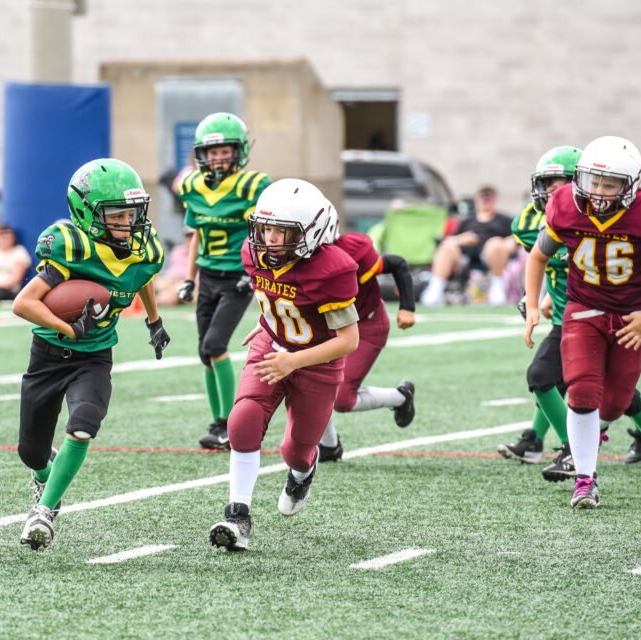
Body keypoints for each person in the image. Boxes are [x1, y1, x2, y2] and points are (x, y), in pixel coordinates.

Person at [12, 158, 169, 549]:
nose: (128, 223)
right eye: (117, 215)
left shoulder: (143, 248)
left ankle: (44, 513)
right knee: (30, 451)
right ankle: (45, 473)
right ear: (87, 213)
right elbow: (23, 303)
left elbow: (142, 276)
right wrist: (69, 326)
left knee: (83, 423)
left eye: (132, 214)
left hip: (95, 355)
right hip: (49, 352)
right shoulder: (70, 246)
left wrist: (154, 320)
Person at [501, 146, 641, 488]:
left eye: (558, 183)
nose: (552, 191)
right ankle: (573, 456)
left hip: (623, 313)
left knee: (616, 400)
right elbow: (541, 260)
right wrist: (536, 300)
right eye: (547, 184)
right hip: (577, 313)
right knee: (558, 381)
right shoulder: (551, 214)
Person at [209, 179, 359, 552]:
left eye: (282, 231)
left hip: (317, 362)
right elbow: (273, 296)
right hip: (272, 345)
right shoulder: (254, 252)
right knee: (242, 420)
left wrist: (294, 360)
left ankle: (303, 472)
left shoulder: (331, 269)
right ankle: (237, 515)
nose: (270, 238)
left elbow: (348, 340)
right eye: (267, 228)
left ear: (313, 232)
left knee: (296, 450)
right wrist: (265, 323)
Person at [176, 112, 272, 450]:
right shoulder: (193, 187)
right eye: (212, 152)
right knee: (206, 353)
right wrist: (190, 279)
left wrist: (255, 273)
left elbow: (266, 236)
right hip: (209, 275)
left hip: (239, 278)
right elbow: (197, 235)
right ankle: (218, 424)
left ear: (239, 151)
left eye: (225, 151)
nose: (218, 158)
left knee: (214, 345)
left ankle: (230, 424)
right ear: (202, 154)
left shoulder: (254, 185)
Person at [317, 204, 417, 462]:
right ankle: (329, 445)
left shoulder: (351, 253)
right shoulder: (290, 258)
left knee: (341, 398)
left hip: (366, 325)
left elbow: (397, 263)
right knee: (309, 383)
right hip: (325, 326)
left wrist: (407, 306)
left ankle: (400, 397)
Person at [420, 185, 517, 306]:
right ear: (477, 200)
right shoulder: (467, 221)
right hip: (465, 255)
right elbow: (449, 239)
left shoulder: (504, 220)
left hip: (491, 256)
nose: (486, 201)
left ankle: (497, 287)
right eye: (483, 197)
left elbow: (515, 238)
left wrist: (508, 241)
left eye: (489, 198)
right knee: (447, 246)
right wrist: (462, 239)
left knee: (495, 243)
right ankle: (435, 288)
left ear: (495, 200)